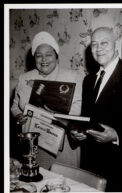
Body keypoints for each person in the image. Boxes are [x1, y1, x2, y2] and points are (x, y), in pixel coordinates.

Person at [70, 27, 122, 192]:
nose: (98, 48)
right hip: (91, 167)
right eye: (94, 44)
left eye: (104, 43)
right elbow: (88, 119)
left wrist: (117, 136)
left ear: (116, 44)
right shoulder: (88, 81)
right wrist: (78, 132)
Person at [11, 31, 82, 169]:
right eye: (39, 55)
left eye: (48, 55)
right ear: (34, 58)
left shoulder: (73, 77)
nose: (44, 60)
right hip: (34, 145)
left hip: (63, 146)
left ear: (56, 56)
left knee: (63, 185)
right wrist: (19, 116)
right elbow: (15, 106)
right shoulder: (25, 78)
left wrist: (51, 111)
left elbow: (78, 110)